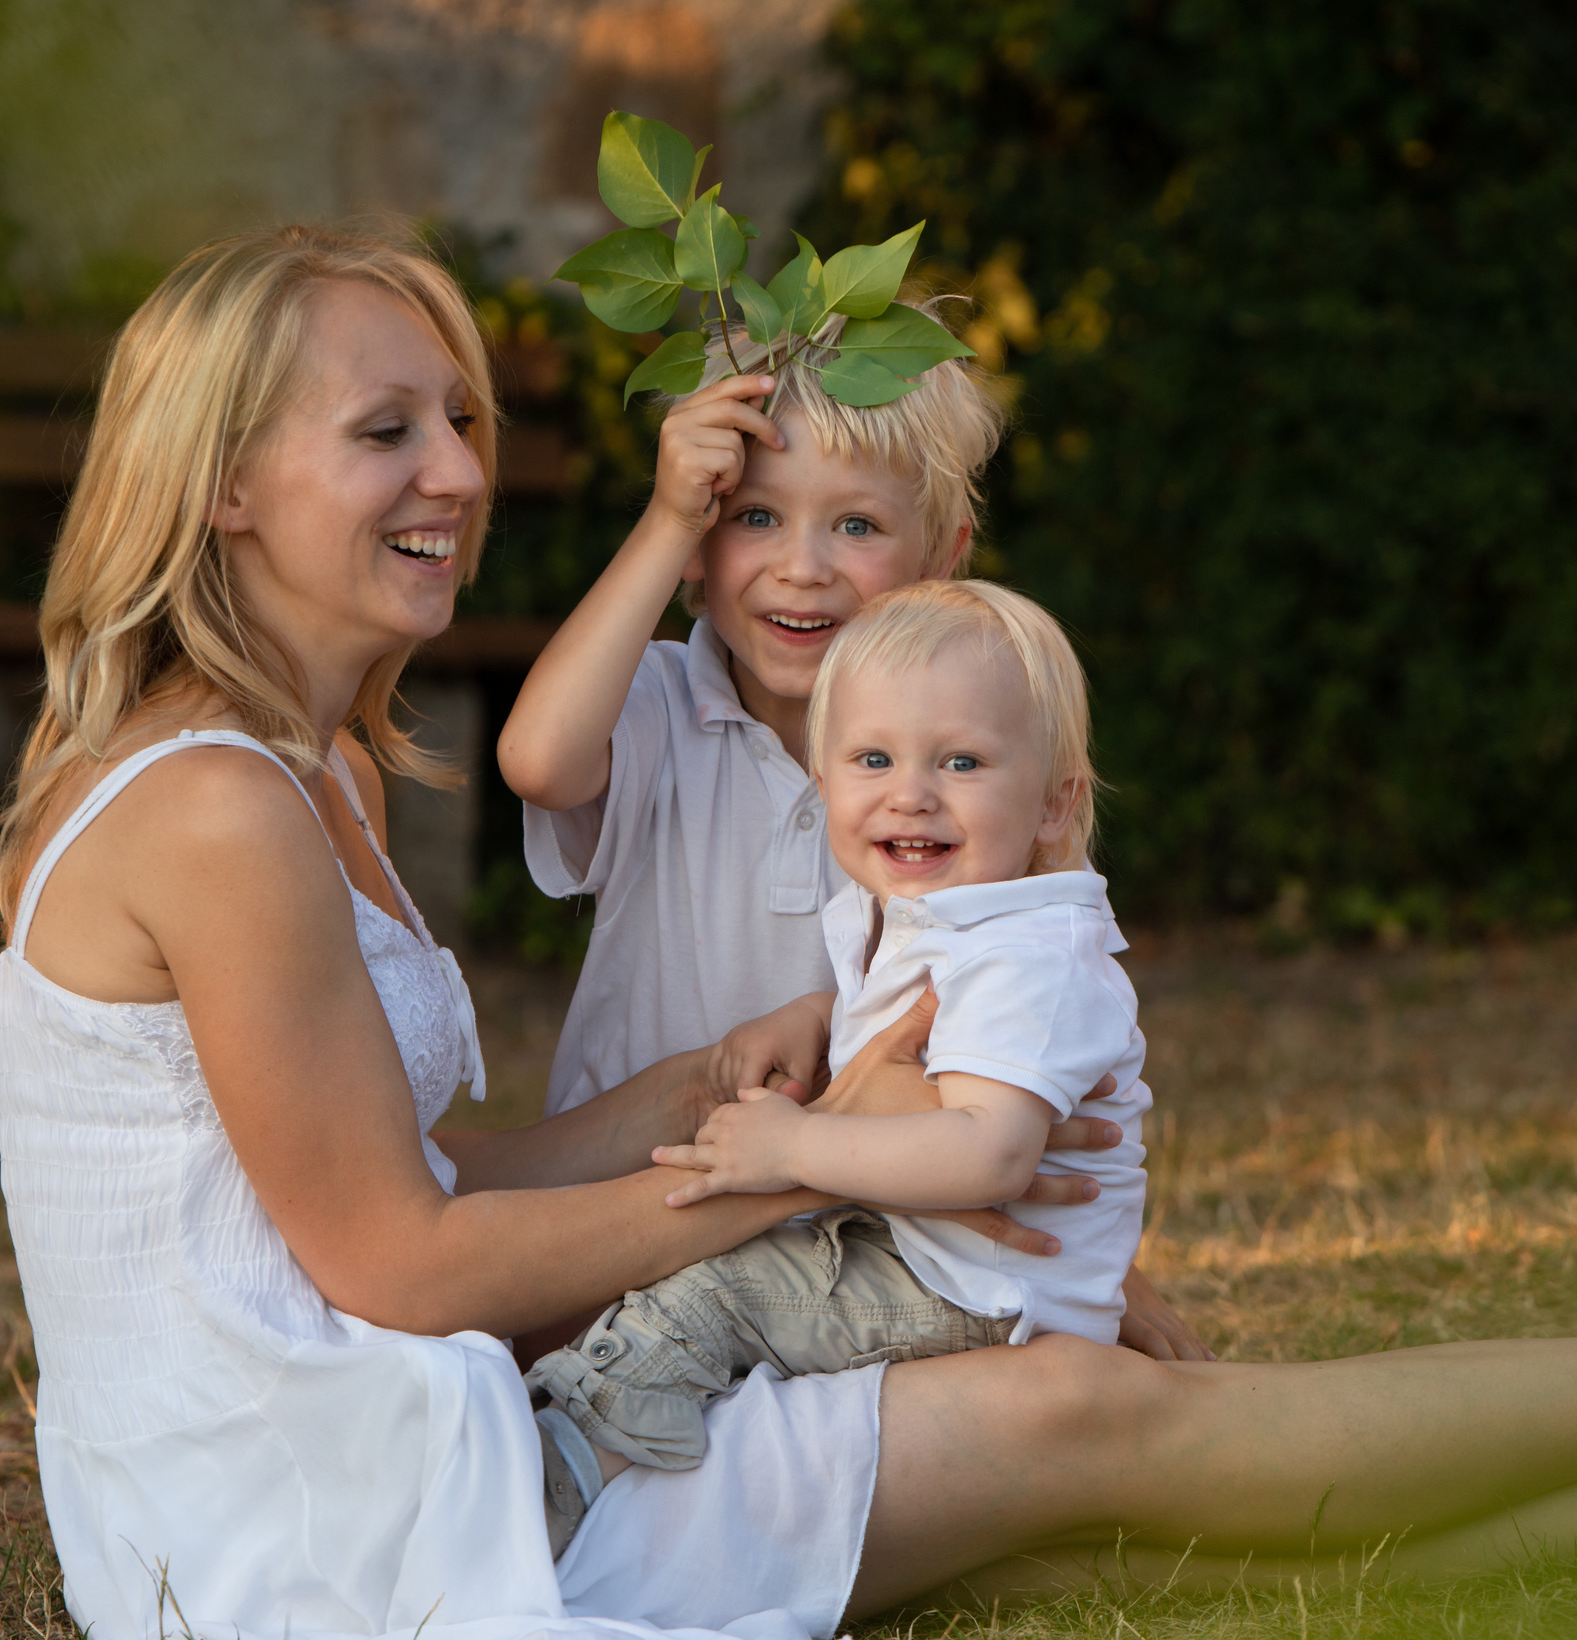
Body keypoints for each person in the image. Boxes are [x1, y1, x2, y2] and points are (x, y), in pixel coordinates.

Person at [0, 224, 1577, 1640]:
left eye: (458, 419)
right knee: (1087, 1418)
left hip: (363, 1438)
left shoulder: (295, 773)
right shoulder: (216, 809)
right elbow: (397, 1262)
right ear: (223, 482)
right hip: (328, 1509)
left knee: (1059, 1506)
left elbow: (436, 1167)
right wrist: (797, 1164)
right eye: (387, 432)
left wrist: (714, 1085)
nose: (460, 471)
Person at [494, 311, 1203, 1360]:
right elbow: (539, 760)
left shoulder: (959, 782)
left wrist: (1101, 1267)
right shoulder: (655, 705)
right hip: (628, 1214)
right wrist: (665, 520)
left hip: (854, 1243)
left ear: (944, 558)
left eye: (857, 526)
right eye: (753, 517)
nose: (802, 567)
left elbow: (1009, 1040)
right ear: (697, 548)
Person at [530, 580, 1151, 1472]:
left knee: (709, 1300)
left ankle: (568, 1476)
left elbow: (992, 1155)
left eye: (962, 763)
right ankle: (648, 1454)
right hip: (932, 1257)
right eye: (873, 759)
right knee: (718, 1279)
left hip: (980, 1292)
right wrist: (816, 1014)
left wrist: (793, 1148)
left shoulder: (1029, 956)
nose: (911, 795)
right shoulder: (935, 916)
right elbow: (916, 1018)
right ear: (823, 781)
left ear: (1054, 803)